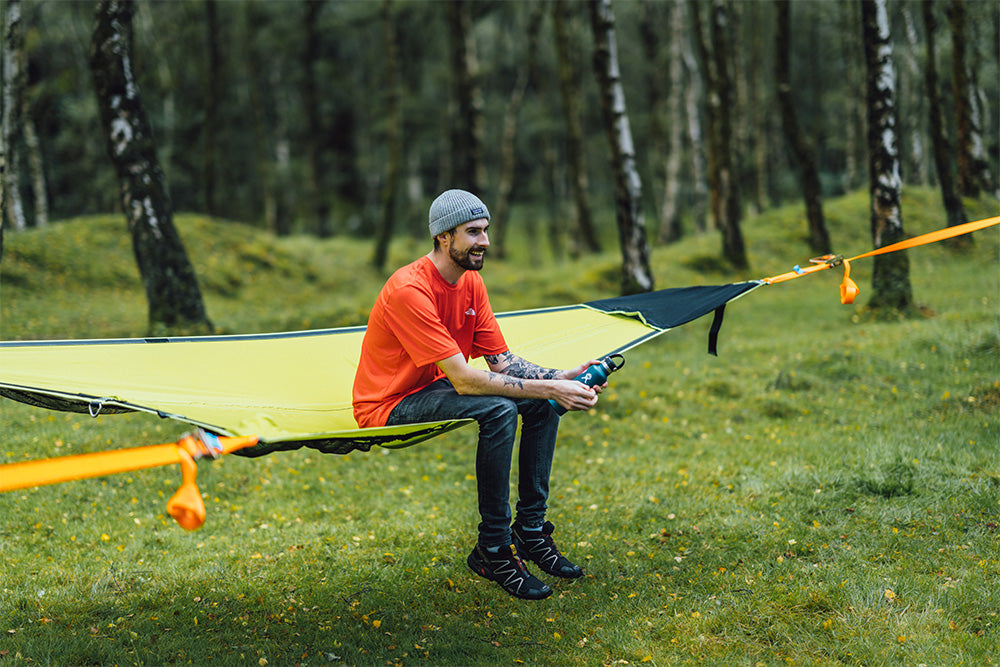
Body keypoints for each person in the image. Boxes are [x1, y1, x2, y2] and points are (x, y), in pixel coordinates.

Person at [352, 189, 606, 600]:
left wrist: (563, 376)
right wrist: (551, 387)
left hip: (435, 385)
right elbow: (466, 380)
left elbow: (501, 363)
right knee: (499, 409)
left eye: (485, 230)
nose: (484, 241)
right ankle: (493, 548)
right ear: (443, 237)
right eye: (473, 232)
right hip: (388, 403)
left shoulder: (471, 282)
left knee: (539, 405)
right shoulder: (409, 289)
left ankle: (529, 531)